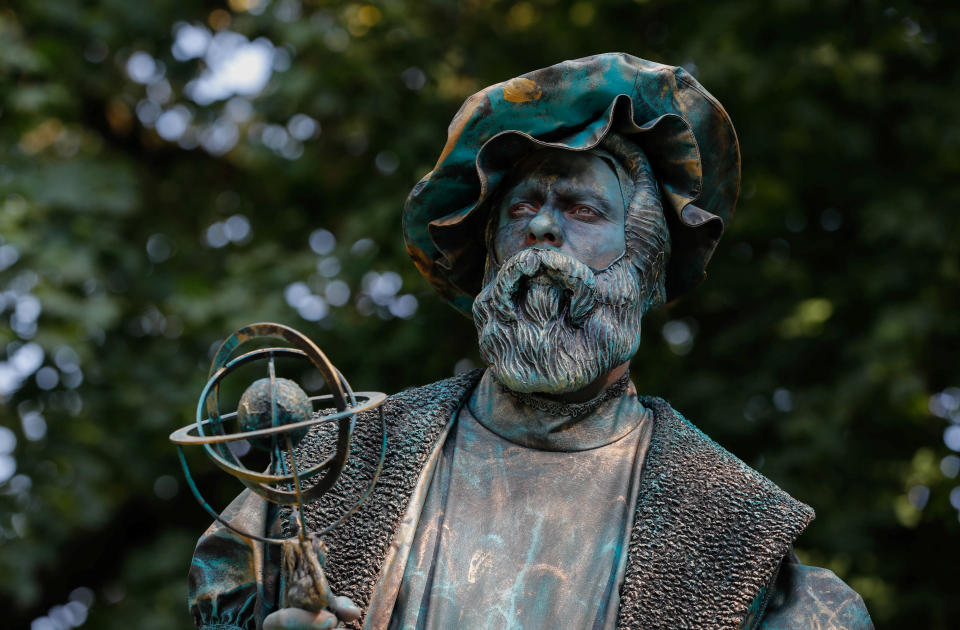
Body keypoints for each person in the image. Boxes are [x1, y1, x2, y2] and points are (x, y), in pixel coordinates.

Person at [188, 53, 874, 630]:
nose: (544, 230)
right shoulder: (341, 466)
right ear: (488, 257)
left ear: (642, 264)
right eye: (522, 208)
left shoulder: (733, 536)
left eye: (581, 208)